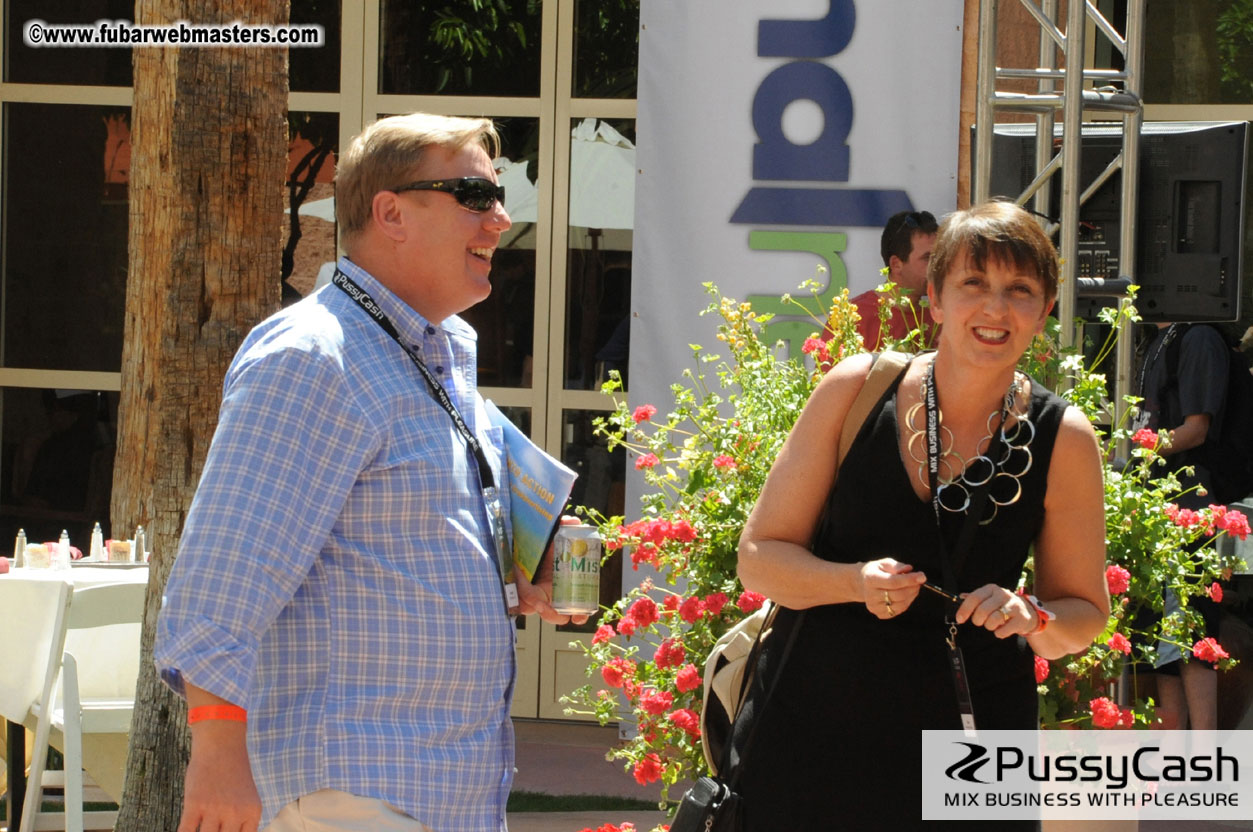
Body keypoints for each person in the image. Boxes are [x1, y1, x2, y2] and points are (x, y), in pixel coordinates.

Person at [154, 113, 584, 832]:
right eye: (474, 197)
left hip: (429, 789)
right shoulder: (314, 356)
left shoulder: (429, 355)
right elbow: (220, 578)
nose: (502, 219)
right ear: (390, 213)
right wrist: (218, 756)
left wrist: (515, 563)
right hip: (349, 789)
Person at [736, 201, 1109, 829]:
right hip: (812, 741)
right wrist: (851, 583)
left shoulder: (1063, 438)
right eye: (973, 284)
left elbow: (1084, 618)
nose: (995, 308)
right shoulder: (856, 389)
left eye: (1019, 290)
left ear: (1044, 314)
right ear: (933, 299)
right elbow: (759, 560)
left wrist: (1031, 616)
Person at [1136, 321, 1231, 730]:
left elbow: (1196, 429)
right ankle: (1175, 760)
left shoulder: (1198, 337)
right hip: (1157, 503)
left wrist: (1132, 451)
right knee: (1161, 641)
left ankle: (1206, 760)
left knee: (1192, 635)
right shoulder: (1153, 338)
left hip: (1190, 505)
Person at [846, 209, 940, 350]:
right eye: (927, 258)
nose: (937, 265)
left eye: (939, 256)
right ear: (896, 264)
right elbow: (829, 372)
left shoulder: (940, 316)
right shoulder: (853, 317)